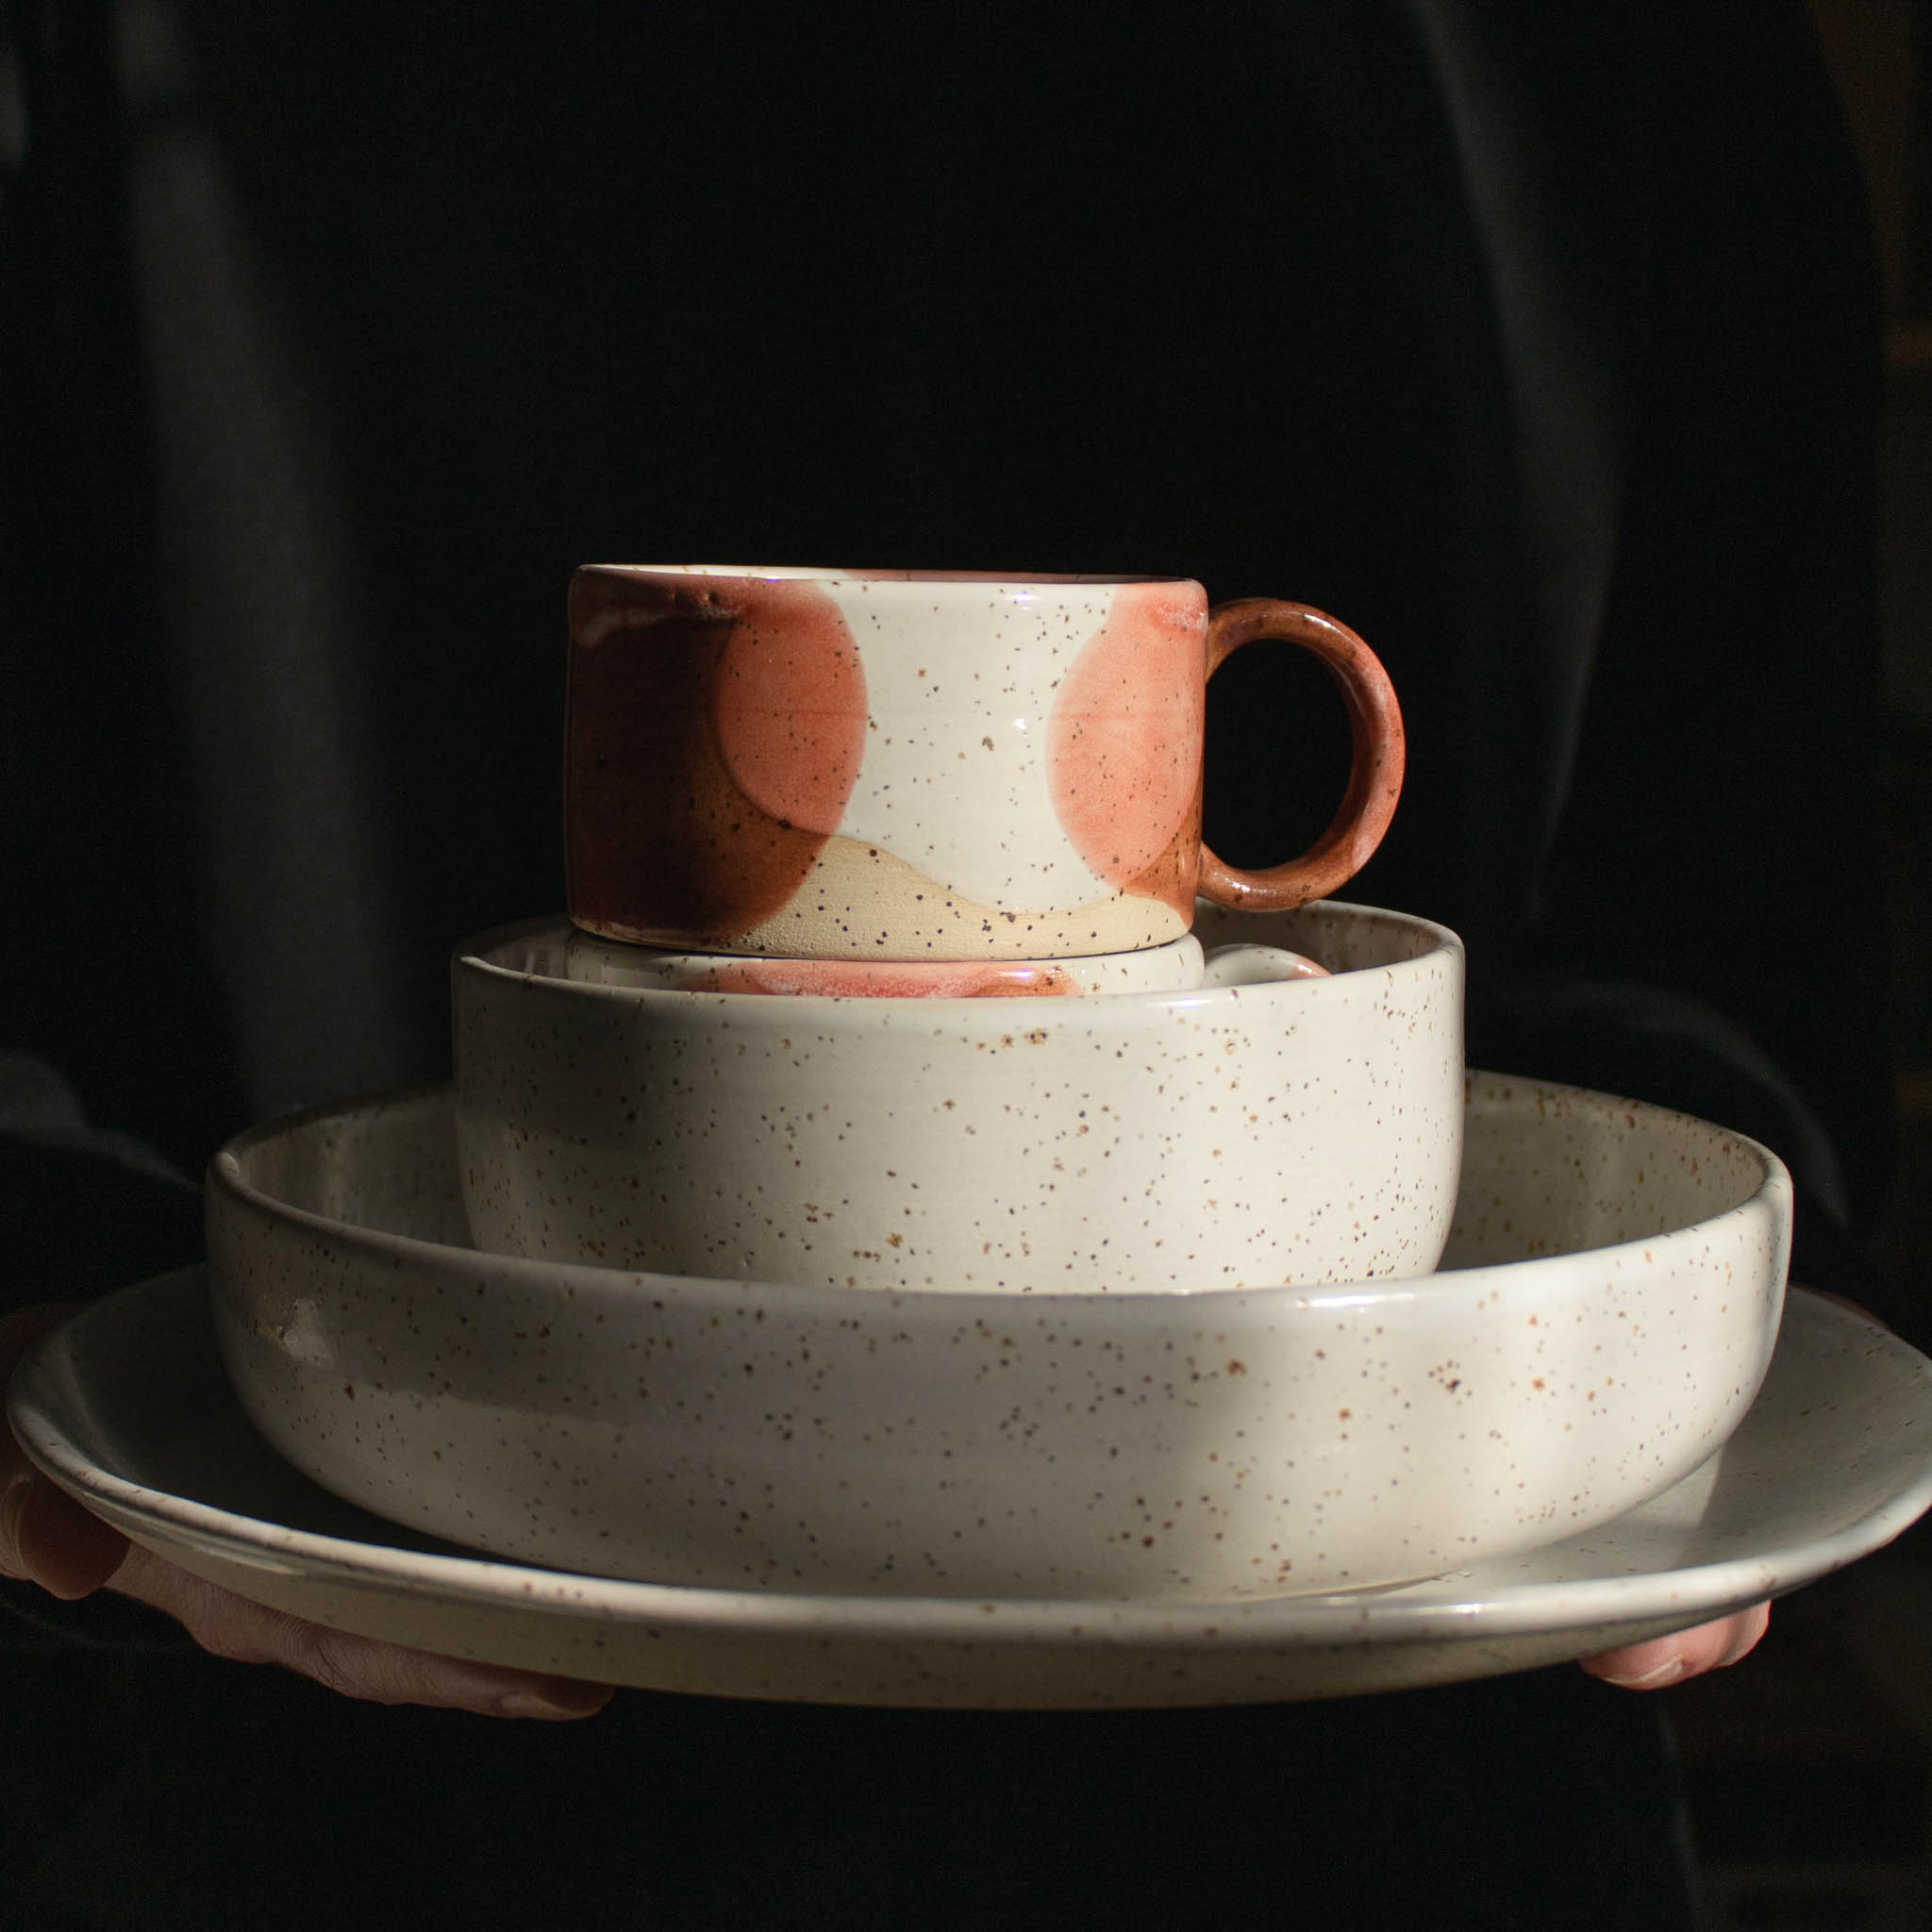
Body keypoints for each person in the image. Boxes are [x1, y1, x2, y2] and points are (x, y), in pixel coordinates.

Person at [0, 3, 1894, 1924]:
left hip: (1389, 1787)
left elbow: (1736, 892)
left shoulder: (1622, 71)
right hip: (302, 1764)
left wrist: (1662, 1357)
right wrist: (54, 1325)